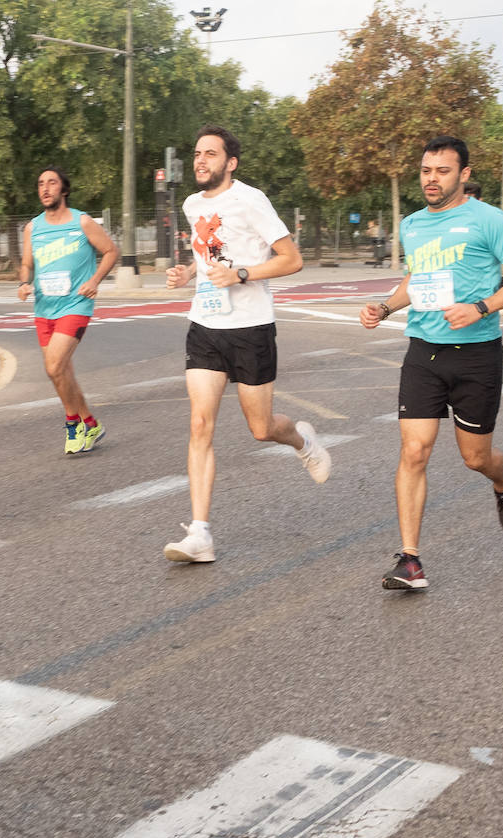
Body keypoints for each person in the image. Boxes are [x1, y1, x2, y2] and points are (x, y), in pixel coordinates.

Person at [358, 135, 503, 591]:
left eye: (441, 171)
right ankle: (410, 560)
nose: (431, 179)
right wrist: (386, 307)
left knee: (475, 458)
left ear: (464, 174)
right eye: (425, 171)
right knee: (414, 451)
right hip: (424, 351)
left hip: (478, 354)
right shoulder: (412, 225)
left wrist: (480, 307)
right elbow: (417, 278)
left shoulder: (488, 220)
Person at [160, 125, 330, 564]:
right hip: (205, 324)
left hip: (251, 328)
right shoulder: (192, 203)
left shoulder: (251, 200)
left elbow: (292, 259)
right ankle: (200, 534)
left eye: (210, 154)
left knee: (261, 428)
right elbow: (209, 257)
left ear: (230, 163)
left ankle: (302, 440)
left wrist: (242, 275)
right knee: (200, 424)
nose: (201, 161)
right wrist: (189, 275)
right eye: (197, 153)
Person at [17, 165, 119, 455]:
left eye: (51, 183)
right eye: (40, 184)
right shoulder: (32, 228)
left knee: (53, 366)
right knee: (61, 372)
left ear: (64, 189)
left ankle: (74, 425)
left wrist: (95, 280)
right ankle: (92, 423)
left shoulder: (82, 222)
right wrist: (24, 282)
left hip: (75, 304)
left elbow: (111, 251)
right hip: (44, 308)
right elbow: (27, 263)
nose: (45, 188)